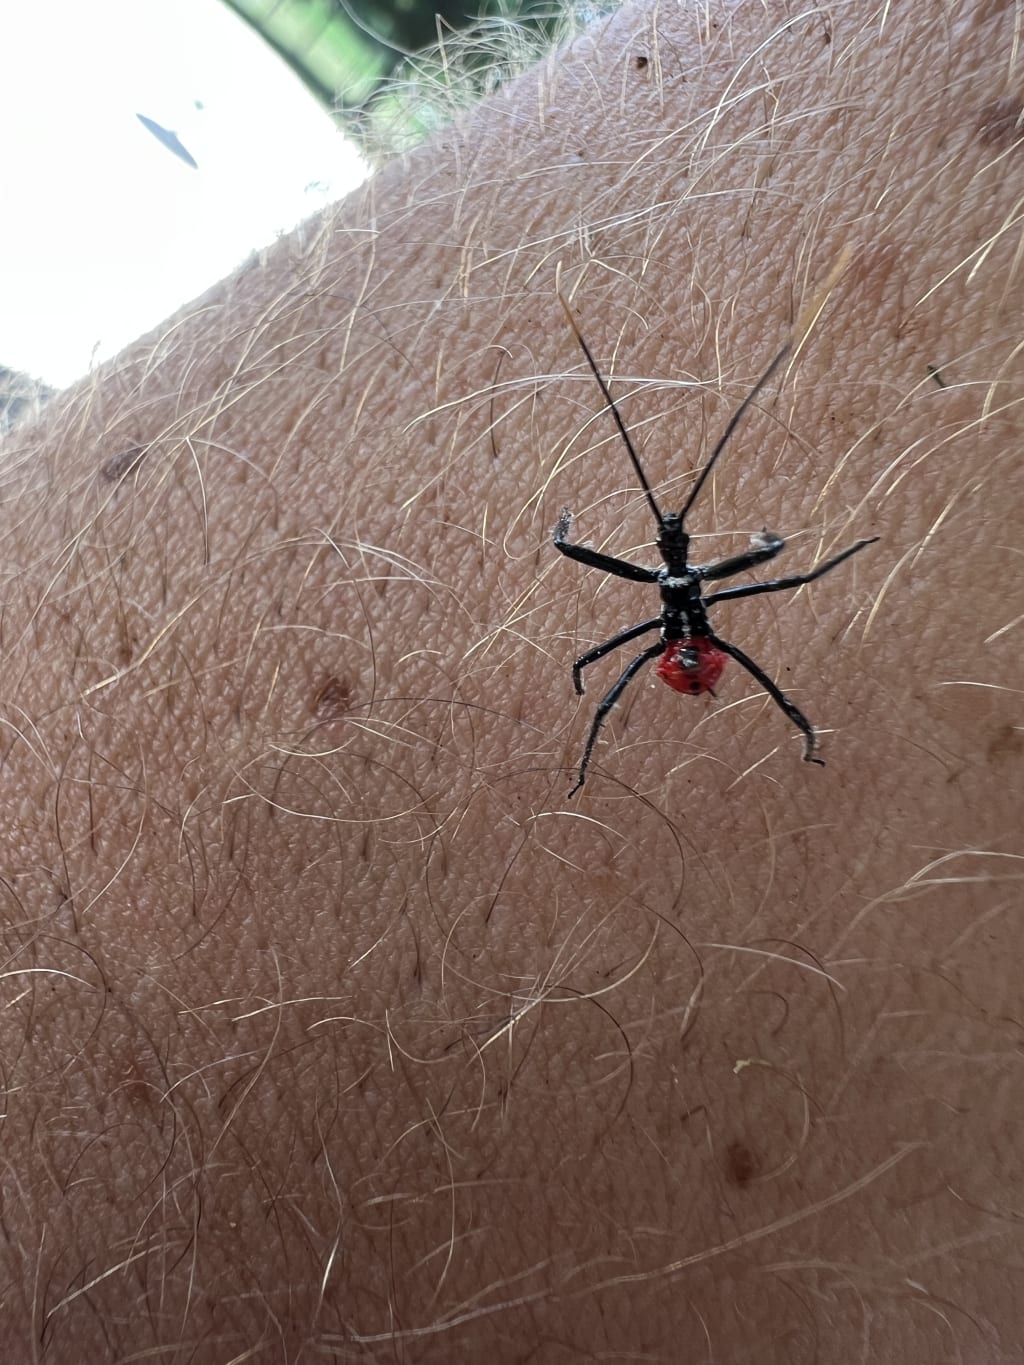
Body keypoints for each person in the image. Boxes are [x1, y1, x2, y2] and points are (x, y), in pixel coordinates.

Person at [3, 3, 1020, 1358]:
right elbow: (678, 588)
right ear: (675, 584)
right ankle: (682, 729)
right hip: (679, 666)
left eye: (684, 559)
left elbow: (641, 580)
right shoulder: (679, 601)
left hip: (680, 667)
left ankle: (710, 727)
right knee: (684, 661)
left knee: (695, 662)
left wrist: (732, 559)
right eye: (680, 560)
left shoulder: (665, 605)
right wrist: (751, 558)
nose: (679, 560)